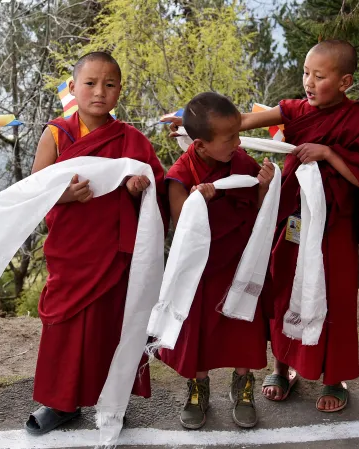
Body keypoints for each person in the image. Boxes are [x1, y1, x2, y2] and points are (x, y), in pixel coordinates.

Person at [169, 39, 359, 413]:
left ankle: (334, 376)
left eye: (319, 76)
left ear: (345, 82)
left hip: (333, 224)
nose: (309, 82)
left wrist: (329, 154)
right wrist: (191, 125)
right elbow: (240, 122)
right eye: (306, 73)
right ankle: (283, 367)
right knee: (283, 286)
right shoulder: (295, 111)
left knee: (335, 295)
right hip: (293, 214)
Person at [25, 51, 167, 435]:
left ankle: (113, 400)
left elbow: (155, 190)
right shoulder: (57, 134)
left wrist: (138, 190)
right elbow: (35, 190)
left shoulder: (131, 139)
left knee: (112, 327)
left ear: (120, 91)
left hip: (114, 252)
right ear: (73, 88)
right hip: (70, 251)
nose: (99, 92)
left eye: (109, 85)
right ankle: (60, 403)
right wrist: (65, 195)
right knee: (63, 327)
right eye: (90, 83)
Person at [157, 92, 275, 430]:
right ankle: (198, 389)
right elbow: (181, 223)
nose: (238, 143)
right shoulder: (181, 173)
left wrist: (264, 187)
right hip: (201, 271)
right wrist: (200, 200)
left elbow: (256, 208)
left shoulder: (242, 163)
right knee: (200, 333)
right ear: (201, 145)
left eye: (238, 134)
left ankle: (243, 386)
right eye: (230, 138)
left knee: (242, 326)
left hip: (239, 262)